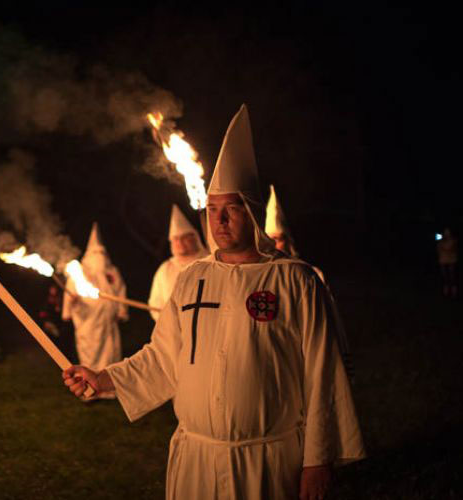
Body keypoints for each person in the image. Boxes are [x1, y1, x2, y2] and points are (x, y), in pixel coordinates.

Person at [64, 104, 365, 499]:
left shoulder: (295, 280)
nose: (219, 222)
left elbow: (322, 375)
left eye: (231, 210)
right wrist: (104, 379)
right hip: (197, 460)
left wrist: (316, 460)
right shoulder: (191, 280)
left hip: (269, 462)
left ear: (253, 212)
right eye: (213, 210)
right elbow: (163, 356)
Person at [265, 184, 355, 380]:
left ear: (287, 241)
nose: (274, 245)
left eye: (278, 239)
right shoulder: (258, 277)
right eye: (269, 239)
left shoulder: (311, 273)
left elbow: (328, 316)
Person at [62, 223, 127, 399]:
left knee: (110, 353)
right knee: (90, 353)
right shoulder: (81, 272)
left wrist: (121, 310)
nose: (99, 257)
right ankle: (90, 389)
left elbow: (120, 290)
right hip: (88, 322)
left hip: (108, 322)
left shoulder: (112, 272)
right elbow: (70, 293)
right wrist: (68, 307)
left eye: (101, 253)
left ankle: (109, 390)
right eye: (95, 253)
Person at [148, 204, 209, 321]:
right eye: (176, 239)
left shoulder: (210, 262)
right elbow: (155, 303)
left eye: (184, 237)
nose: (180, 242)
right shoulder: (165, 269)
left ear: (194, 237)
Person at [265, 183, 299, 257]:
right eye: (268, 240)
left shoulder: (302, 268)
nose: (272, 246)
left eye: (276, 240)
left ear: (288, 241)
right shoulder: (261, 268)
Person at [437, 228, 458, 298]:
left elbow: (452, 249)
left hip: (451, 260)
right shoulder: (441, 242)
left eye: (448, 232)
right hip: (443, 260)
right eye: (445, 232)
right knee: (445, 277)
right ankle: (446, 292)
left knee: (452, 277)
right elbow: (439, 250)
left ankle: (453, 292)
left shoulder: (454, 241)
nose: (446, 234)